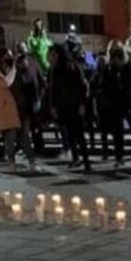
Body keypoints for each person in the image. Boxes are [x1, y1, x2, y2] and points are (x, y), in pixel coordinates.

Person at [97, 41, 131, 168]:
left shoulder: (129, 68)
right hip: (115, 105)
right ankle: (119, 157)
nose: (117, 63)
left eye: (118, 60)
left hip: (129, 103)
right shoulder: (109, 69)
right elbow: (103, 86)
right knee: (118, 133)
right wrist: (108, 99)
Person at [0, 47, 35, 172]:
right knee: (9, 138)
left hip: (20, 108)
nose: (9, 58)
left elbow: (27, 85)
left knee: (24, 137)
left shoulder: (19, 71)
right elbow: (2, 86)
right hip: (6, 109)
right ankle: (12, 163)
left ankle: (31, 161)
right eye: (6, 56)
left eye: (10, 55)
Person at [49, 43, 91, 172]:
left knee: (79, 134)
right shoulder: (55, 70)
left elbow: (81, 86)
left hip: (75, 105)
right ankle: (75, 158)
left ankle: (86, 160)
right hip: (64, 106)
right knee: (70, 134)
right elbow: (53, 89)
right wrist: (54, 106)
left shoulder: (72, 66)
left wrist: (82, 103)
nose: (51, 57)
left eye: (54, 55)